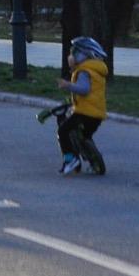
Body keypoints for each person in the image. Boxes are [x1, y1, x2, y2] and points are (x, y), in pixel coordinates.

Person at [48, 35, 111, 175]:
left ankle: (70, 160)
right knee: (84, 136)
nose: (71, 56)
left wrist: (68, 85)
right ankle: (92, 158)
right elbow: (92, 94)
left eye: (74, 53)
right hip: (97, 114)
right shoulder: (97, 70)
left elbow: (84, 90)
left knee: (63, 131)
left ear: (85, 55)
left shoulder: (84, 71)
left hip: (84, 113)